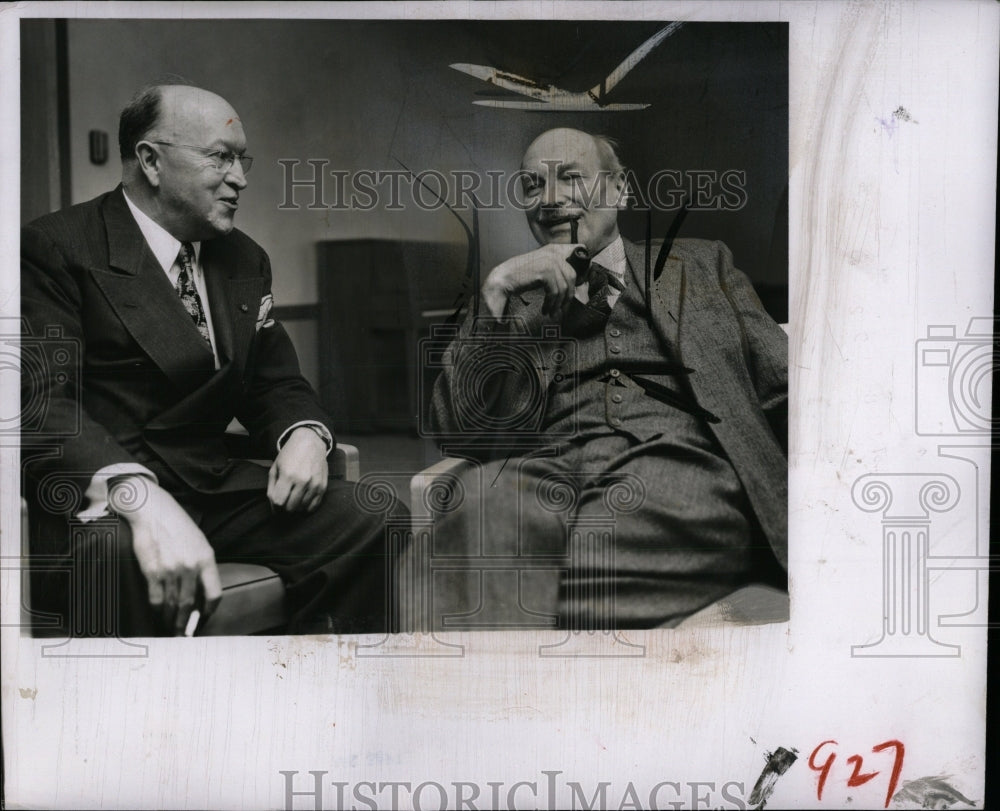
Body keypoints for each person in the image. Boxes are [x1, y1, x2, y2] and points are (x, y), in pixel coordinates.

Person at [21, 82, 404, 637]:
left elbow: (275, 383)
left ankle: (326, 700)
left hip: (210, 483)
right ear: (151, 161)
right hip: (110, 498)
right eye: (220, 157)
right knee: (112, 554)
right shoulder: (56, 248)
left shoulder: (243, 257)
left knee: (374, 516)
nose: (240, 178)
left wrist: (303, 434)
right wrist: (138, 493)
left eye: (241, 159)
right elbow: (42, 405)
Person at [425, 128, 787, 630]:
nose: (549, 200)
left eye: (570, 178)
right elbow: (456, 431)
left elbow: (785, 386)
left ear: (619, 190)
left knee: (579, 557)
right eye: (532, 186)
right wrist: (495, 289)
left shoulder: (703, 264)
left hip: (675, 465)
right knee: (473, 524)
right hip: (541, 474)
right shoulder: (509, 297)